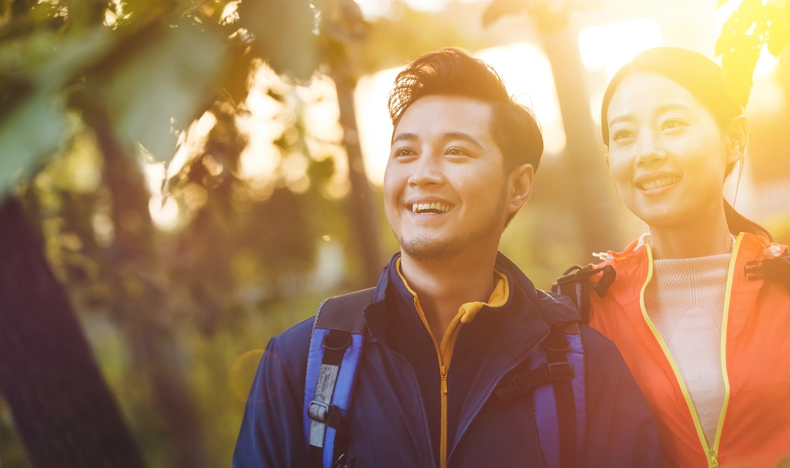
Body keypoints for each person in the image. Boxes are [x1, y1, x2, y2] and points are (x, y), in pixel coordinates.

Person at [233, 48, 661, 468]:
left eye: (455, 152)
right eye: (405, 152)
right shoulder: (300, 364)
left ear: (518, 187)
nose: (422, 174)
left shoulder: (583, 368)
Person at [584, 47, 790, 467]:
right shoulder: (582, 310)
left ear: (734, 139)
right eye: (623, 135)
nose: (646, 152)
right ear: (608, 159)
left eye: (672, 124)